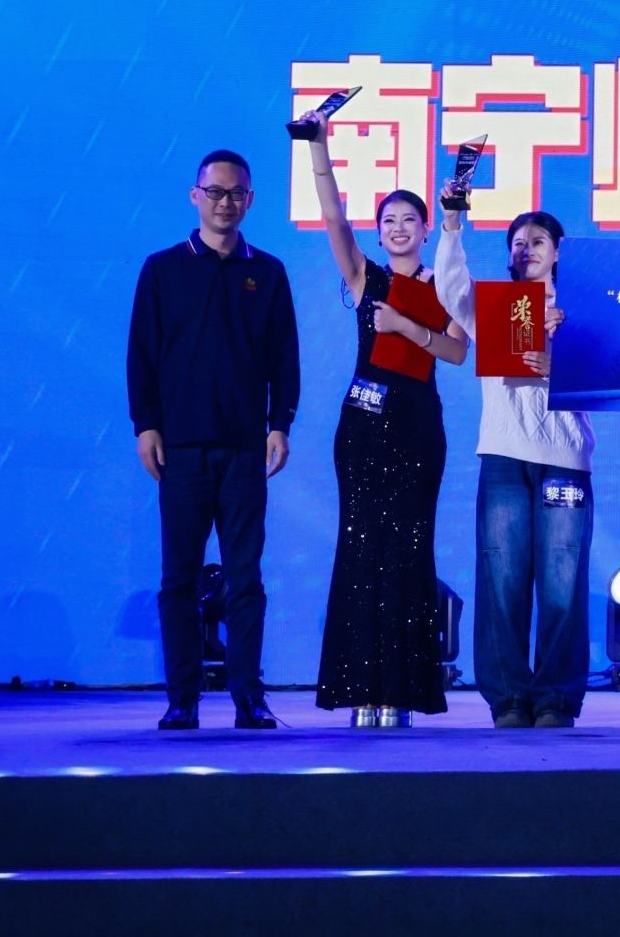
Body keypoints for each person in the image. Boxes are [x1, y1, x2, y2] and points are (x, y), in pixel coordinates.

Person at [304, 121, 469, 727]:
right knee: (360, 547)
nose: (399, 228)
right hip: (363, 428)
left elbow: (457, 351)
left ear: (425, 229)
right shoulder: (365, 277)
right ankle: (357, 692)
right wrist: (317, 147)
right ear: (379, 232)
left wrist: (407, 329)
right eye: (389, 221)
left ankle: (401, 693)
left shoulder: (446, 284)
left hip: (418, 426)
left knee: (408, 550)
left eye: (409, 220)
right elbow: (333, 219)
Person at [127, 151, 300, 730]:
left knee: (245, 577)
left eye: (236, 193)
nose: (225, 202)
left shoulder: (268, 272)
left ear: (250, 200)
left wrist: (281, 423)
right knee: (178, 577)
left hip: (245, 448)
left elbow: (284, 356)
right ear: (195, 196)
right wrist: (145, 425)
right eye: (215, 192)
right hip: (180, 448)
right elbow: (142, 354)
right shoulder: (162, 269)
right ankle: (182, 698)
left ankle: (249, 695)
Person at [434, 187, 596, 729]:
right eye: (519, 241)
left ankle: (555, 699)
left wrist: (562, 358)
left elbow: (612, 371)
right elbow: (450, 288)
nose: (527, 248)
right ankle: (507, 698)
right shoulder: (494, 305)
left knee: (562, 581)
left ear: (558, 252)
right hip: (504, 454)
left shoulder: (581, 310)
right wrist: (452, 225)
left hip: (565, 456)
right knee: (501, 578)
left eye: (538, 241)